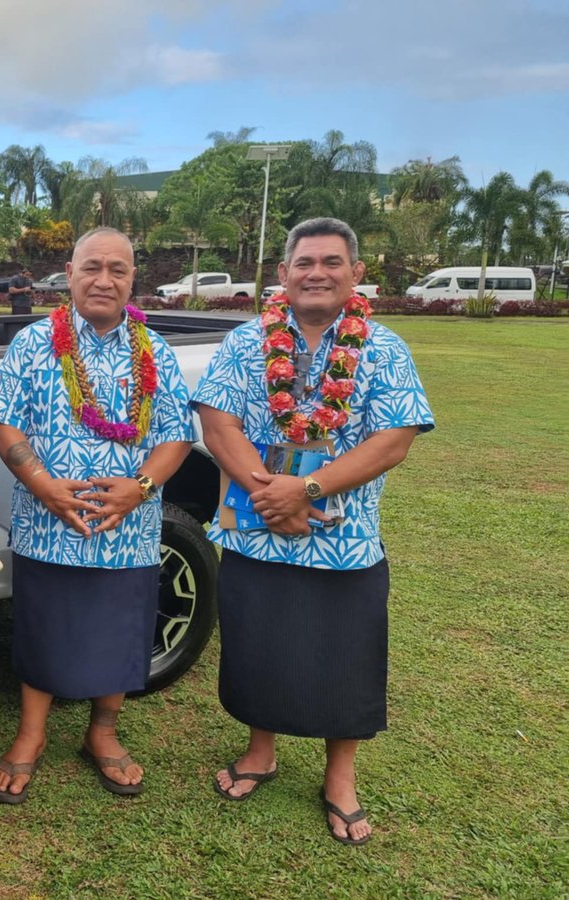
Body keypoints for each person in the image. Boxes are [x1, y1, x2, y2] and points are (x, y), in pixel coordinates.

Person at [191, 217, 434, 845]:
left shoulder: (383, 348)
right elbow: (218, 425)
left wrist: (309, 489)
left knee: (345, 657)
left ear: (356, 274)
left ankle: (340, 777)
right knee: (258, 645)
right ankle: (260, 752)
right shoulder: (246, 344)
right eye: (304, 262)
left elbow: (394, 440)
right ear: (283, 275)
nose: (317, 272)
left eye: (331, 262)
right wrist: (272, 493)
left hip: (344, 543)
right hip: (255, 528)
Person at [0, 227, 195, 802]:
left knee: (122, 629)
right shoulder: (33, 343)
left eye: (118, 270)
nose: (104, 279)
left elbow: (177, 436)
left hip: (129, 527)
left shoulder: (156, 352)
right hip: (46, 522)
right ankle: (31, 736)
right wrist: (44, 485)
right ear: (70, 273)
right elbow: (2, 420)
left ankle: (102, 734)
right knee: (43, 627)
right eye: (92, 267)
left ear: (133, 279)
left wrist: (141, 487)